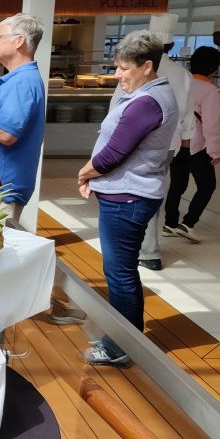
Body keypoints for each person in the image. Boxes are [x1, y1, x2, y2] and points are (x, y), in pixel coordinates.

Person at [77, 30, 178, 368]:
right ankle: (125, 336)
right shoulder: (146, 93)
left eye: (123, 68)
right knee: (121, 271)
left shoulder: (148, 101)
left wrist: (86, 172)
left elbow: (113, 154)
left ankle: (122, 345)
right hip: (127, 193)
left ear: (147, 66)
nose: (117, 75)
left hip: (129, 198)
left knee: (119, 273)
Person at [133, 13, 193, 271]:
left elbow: (118, 106)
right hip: (169, 144)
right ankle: (147, 250)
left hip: (137, 142)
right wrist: (187, 144)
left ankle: (145, 250)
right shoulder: (182, 73)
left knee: (133, 194)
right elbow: (187, 112)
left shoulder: (139, 68)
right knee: (153, 193)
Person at [0, 13, 47, 225]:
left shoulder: (21, 82)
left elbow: (6, 134)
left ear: (19, 41)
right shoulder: (19, 79)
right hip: (0, 186)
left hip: (2, 189)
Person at [163, 46, 220, 242]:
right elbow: (211, 125)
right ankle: (188, 224)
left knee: (176, 186)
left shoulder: (182, 83)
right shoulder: (211, 91)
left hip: (177, 142)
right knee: (207, 186)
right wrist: (215, 151)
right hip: (197, 147)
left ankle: (170, 224)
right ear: (215, 69)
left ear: (190, 64)